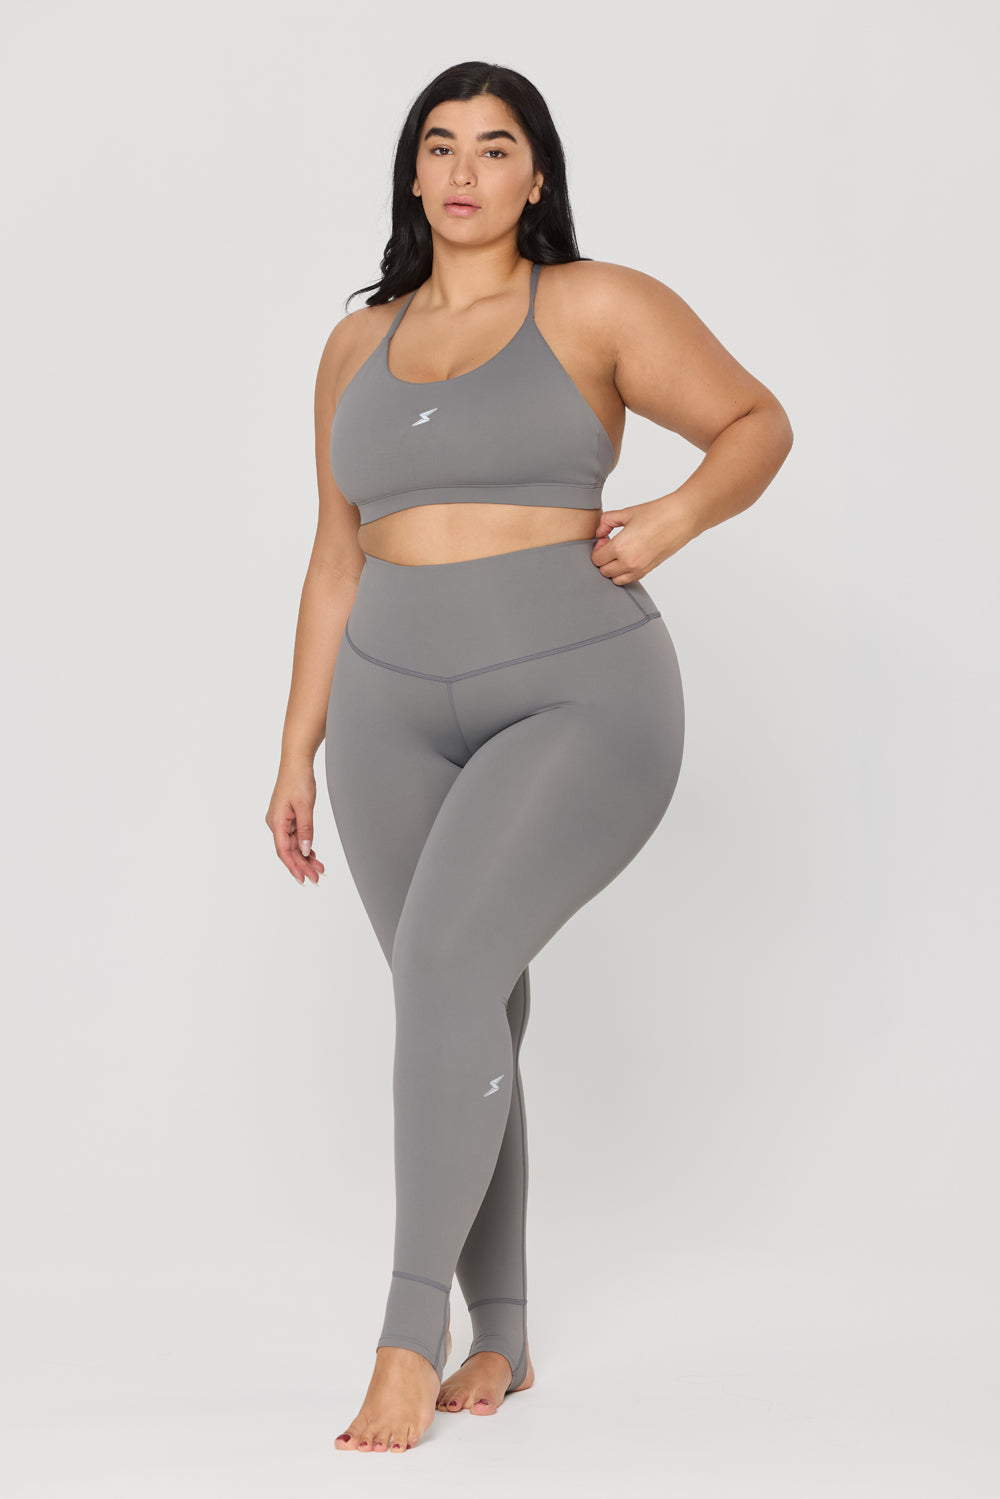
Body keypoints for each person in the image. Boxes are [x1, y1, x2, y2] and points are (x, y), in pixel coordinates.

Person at [265, 60, 793, 1455]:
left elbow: (758, 424)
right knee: (460, 996)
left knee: (444, 970)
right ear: (412, 172)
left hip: (578, 694)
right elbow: (332, 559)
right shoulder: (353, 346)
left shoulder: (595, 304)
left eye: (495, 148)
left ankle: (406, 1336)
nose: (464, 171)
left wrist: (670, 520)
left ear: (536, 174)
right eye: (440, 145)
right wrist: (298, 743)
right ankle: (499, 1328)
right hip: (387, 709)